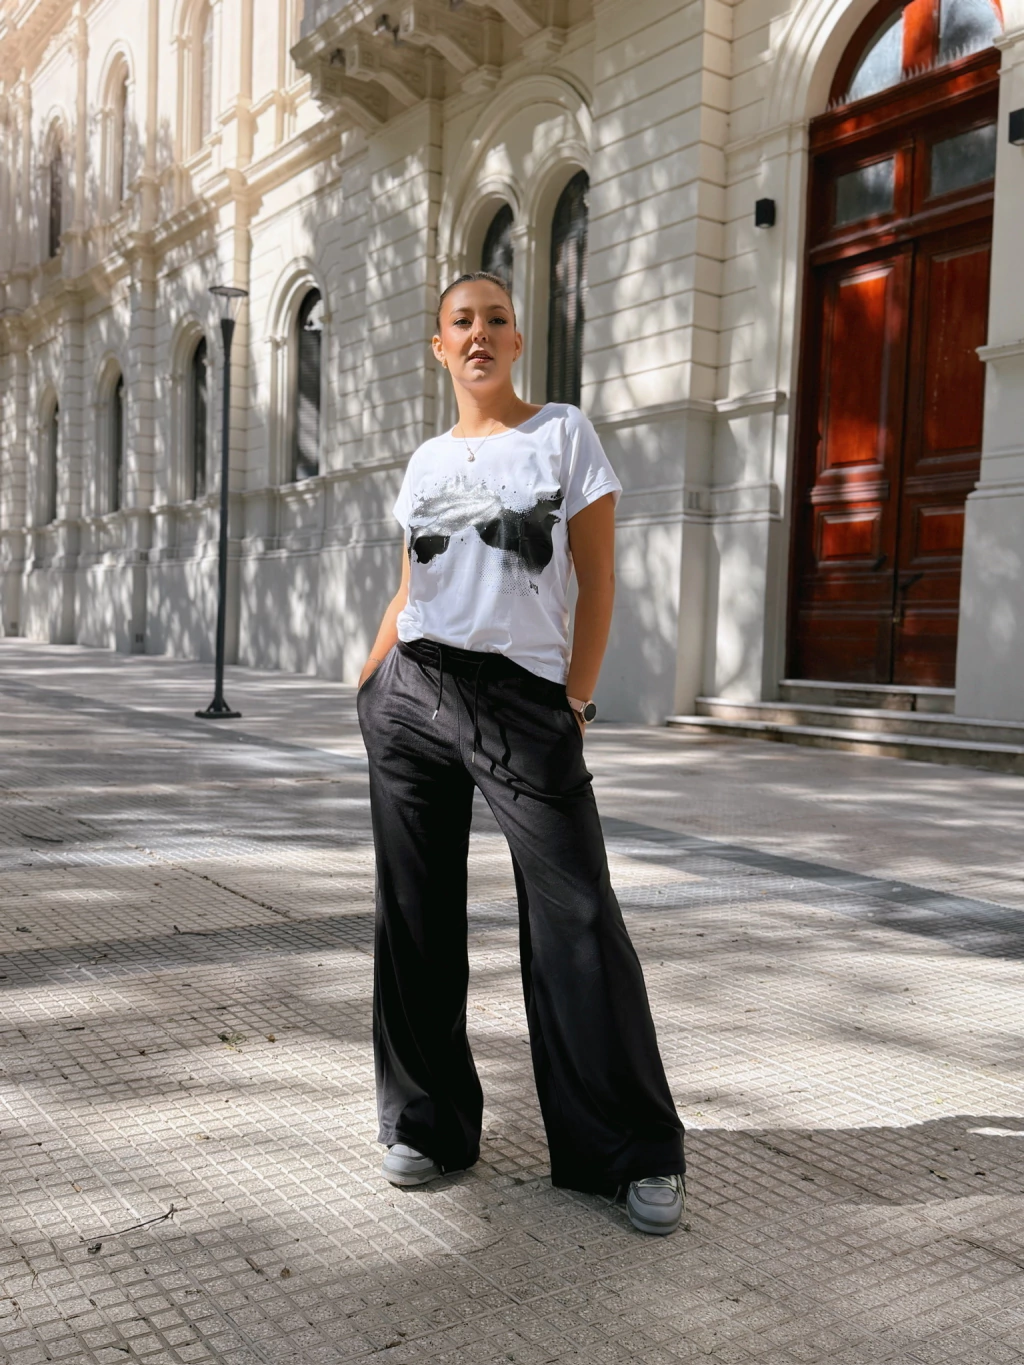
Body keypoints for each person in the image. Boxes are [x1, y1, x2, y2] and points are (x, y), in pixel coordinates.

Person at [356, 271, 686, 1235]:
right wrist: (370, 683)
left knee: (577, 912)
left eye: (495, 319)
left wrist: (575, 700)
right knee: (414, 912)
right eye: (461, 322)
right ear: (440, 347)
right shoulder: (426, 460)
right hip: (413, 691)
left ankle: (628, 1148)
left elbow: (598, 577)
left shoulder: (564, 434)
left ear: (516, 337)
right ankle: (427, 1123)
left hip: (521, 698)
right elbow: (409, 586)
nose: (479, 334)